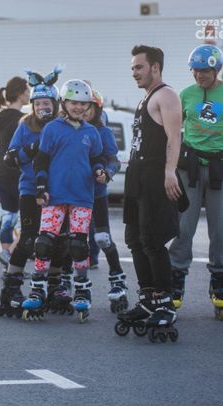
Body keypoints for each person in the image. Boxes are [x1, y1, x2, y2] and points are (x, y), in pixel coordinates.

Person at [117, 45, 184, 341]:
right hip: (138, 175)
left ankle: (165, 303)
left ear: (155, 67)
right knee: (135, 239)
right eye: (133, 67)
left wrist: (170, 171)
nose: (134, 72)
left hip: (156, 176)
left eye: (139, 67)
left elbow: (174, 137)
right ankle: (147, 299)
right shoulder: (147, 97)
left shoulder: (166, 95)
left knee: (153, 241)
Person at [31, 79, 105, 323]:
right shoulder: (52, 129)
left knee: (78, 245)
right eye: (74, 102)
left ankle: (82, 290)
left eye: (83, 104)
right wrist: (41, 187)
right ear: (63, 103)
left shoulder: (91, 132)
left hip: (82, 195)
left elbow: (97, 159)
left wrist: (100, 171)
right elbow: (41, 160)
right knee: (44, 243)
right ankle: (38, 288)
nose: (79, 107)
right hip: (55, 195)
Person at [0, 76, 60, 319]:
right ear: (32, 105)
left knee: (58, 240)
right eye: (38, 103)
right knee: (28, 239)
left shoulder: (61, 125)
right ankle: (11, 288)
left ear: (55, 105)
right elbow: (10, 158)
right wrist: (32, 149)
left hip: (58, 190)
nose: (42, 107)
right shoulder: (25, 125)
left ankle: (54, 287)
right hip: (30, 189)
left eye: (47, 103)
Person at [168, 44, 223, 318]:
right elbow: (173, 131)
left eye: (205, 71)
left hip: (219, 166)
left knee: (220, 228)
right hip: (189, 167)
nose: (200, 75)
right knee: (183, 226)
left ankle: (220, 279)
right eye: (196, 70)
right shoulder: (186, 94)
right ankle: (176, 279)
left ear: (217, 70)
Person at [83, 88, 128, 313]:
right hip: (71, 194)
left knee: (102, 237)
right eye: (79, 105)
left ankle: (118, 280)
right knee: (70, 241)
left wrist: (107, 172)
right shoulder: (65, 129)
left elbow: (114, 160)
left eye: (88, 106)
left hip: (97, 193)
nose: (83, 110)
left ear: (97, 109)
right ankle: (62, 284)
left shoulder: (104, 132)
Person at [0, 76, 30, 266]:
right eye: (28, 90)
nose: (29, 94)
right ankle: (10, 255)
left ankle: (7, 259)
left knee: (8, 217)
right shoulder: (22, 120)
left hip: (0, 172)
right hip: (17, 173)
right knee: (29, 220)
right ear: (21, 94)